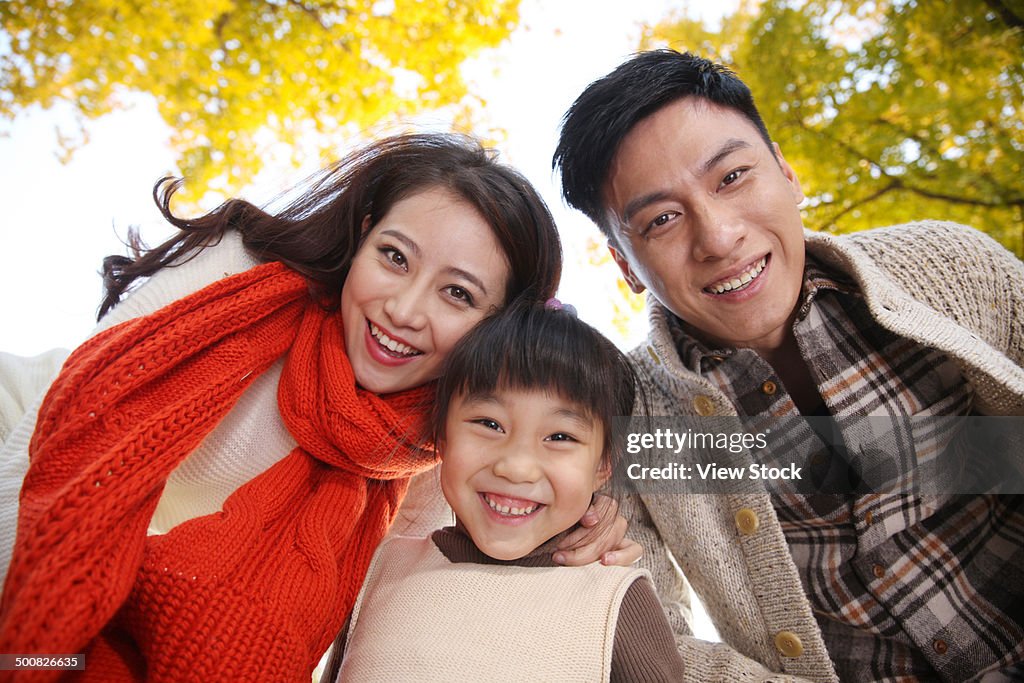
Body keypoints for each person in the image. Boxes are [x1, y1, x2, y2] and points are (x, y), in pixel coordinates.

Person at [0, 133, 637, 681]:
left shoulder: (436, 443)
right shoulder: (235, 271)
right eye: (394, 257)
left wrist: (581, 524)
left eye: (457, 294)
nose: (404, 311)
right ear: (362, 237)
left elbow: (441, 571)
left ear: (495, 327)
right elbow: (48, 454)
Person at [552, 49, 1024, 682]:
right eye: (661, 219)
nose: (718, 237)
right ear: (625, 267)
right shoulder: (628, 418)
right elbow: (649, 643)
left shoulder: (946, 270)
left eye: (732, 177)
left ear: (787, 173)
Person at [329, 300, 681, 682]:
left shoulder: (615, 601)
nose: (515, 467)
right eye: (489, 423)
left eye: (560, 437)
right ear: (442, 437)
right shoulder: (379, 569)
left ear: (602, 468)